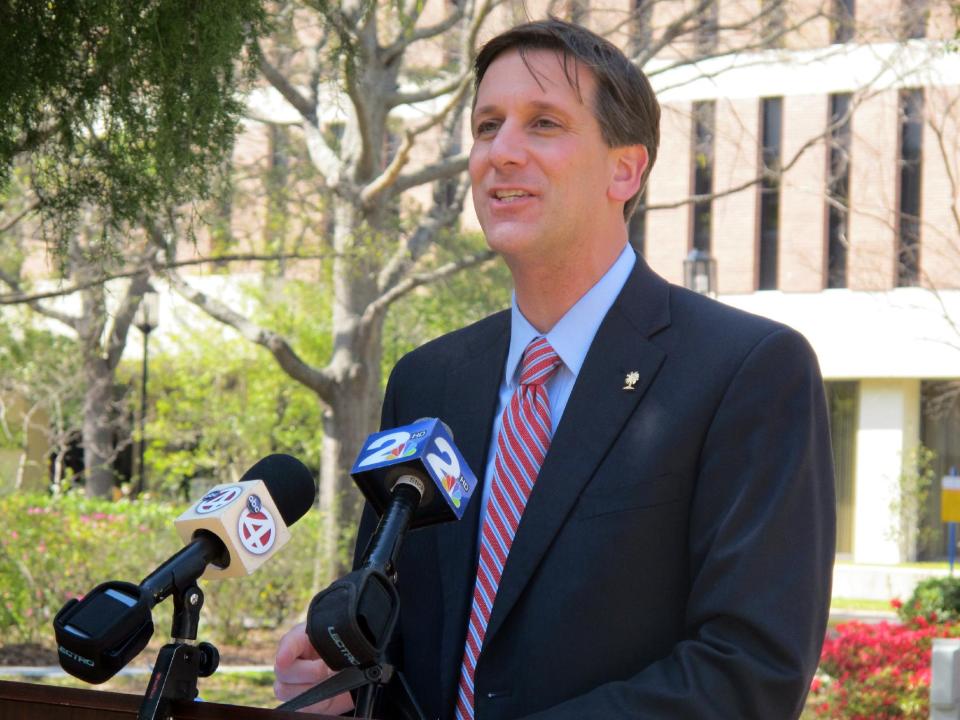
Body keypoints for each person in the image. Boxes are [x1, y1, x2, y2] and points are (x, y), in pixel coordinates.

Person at [274, 18, 835, 720]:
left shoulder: (747, 372)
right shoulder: (427, 380)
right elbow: (400, 643)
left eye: (542, 124)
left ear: (625, 168)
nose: (500, 153)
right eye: (486, 126)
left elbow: (749, 671)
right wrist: (343, 683)